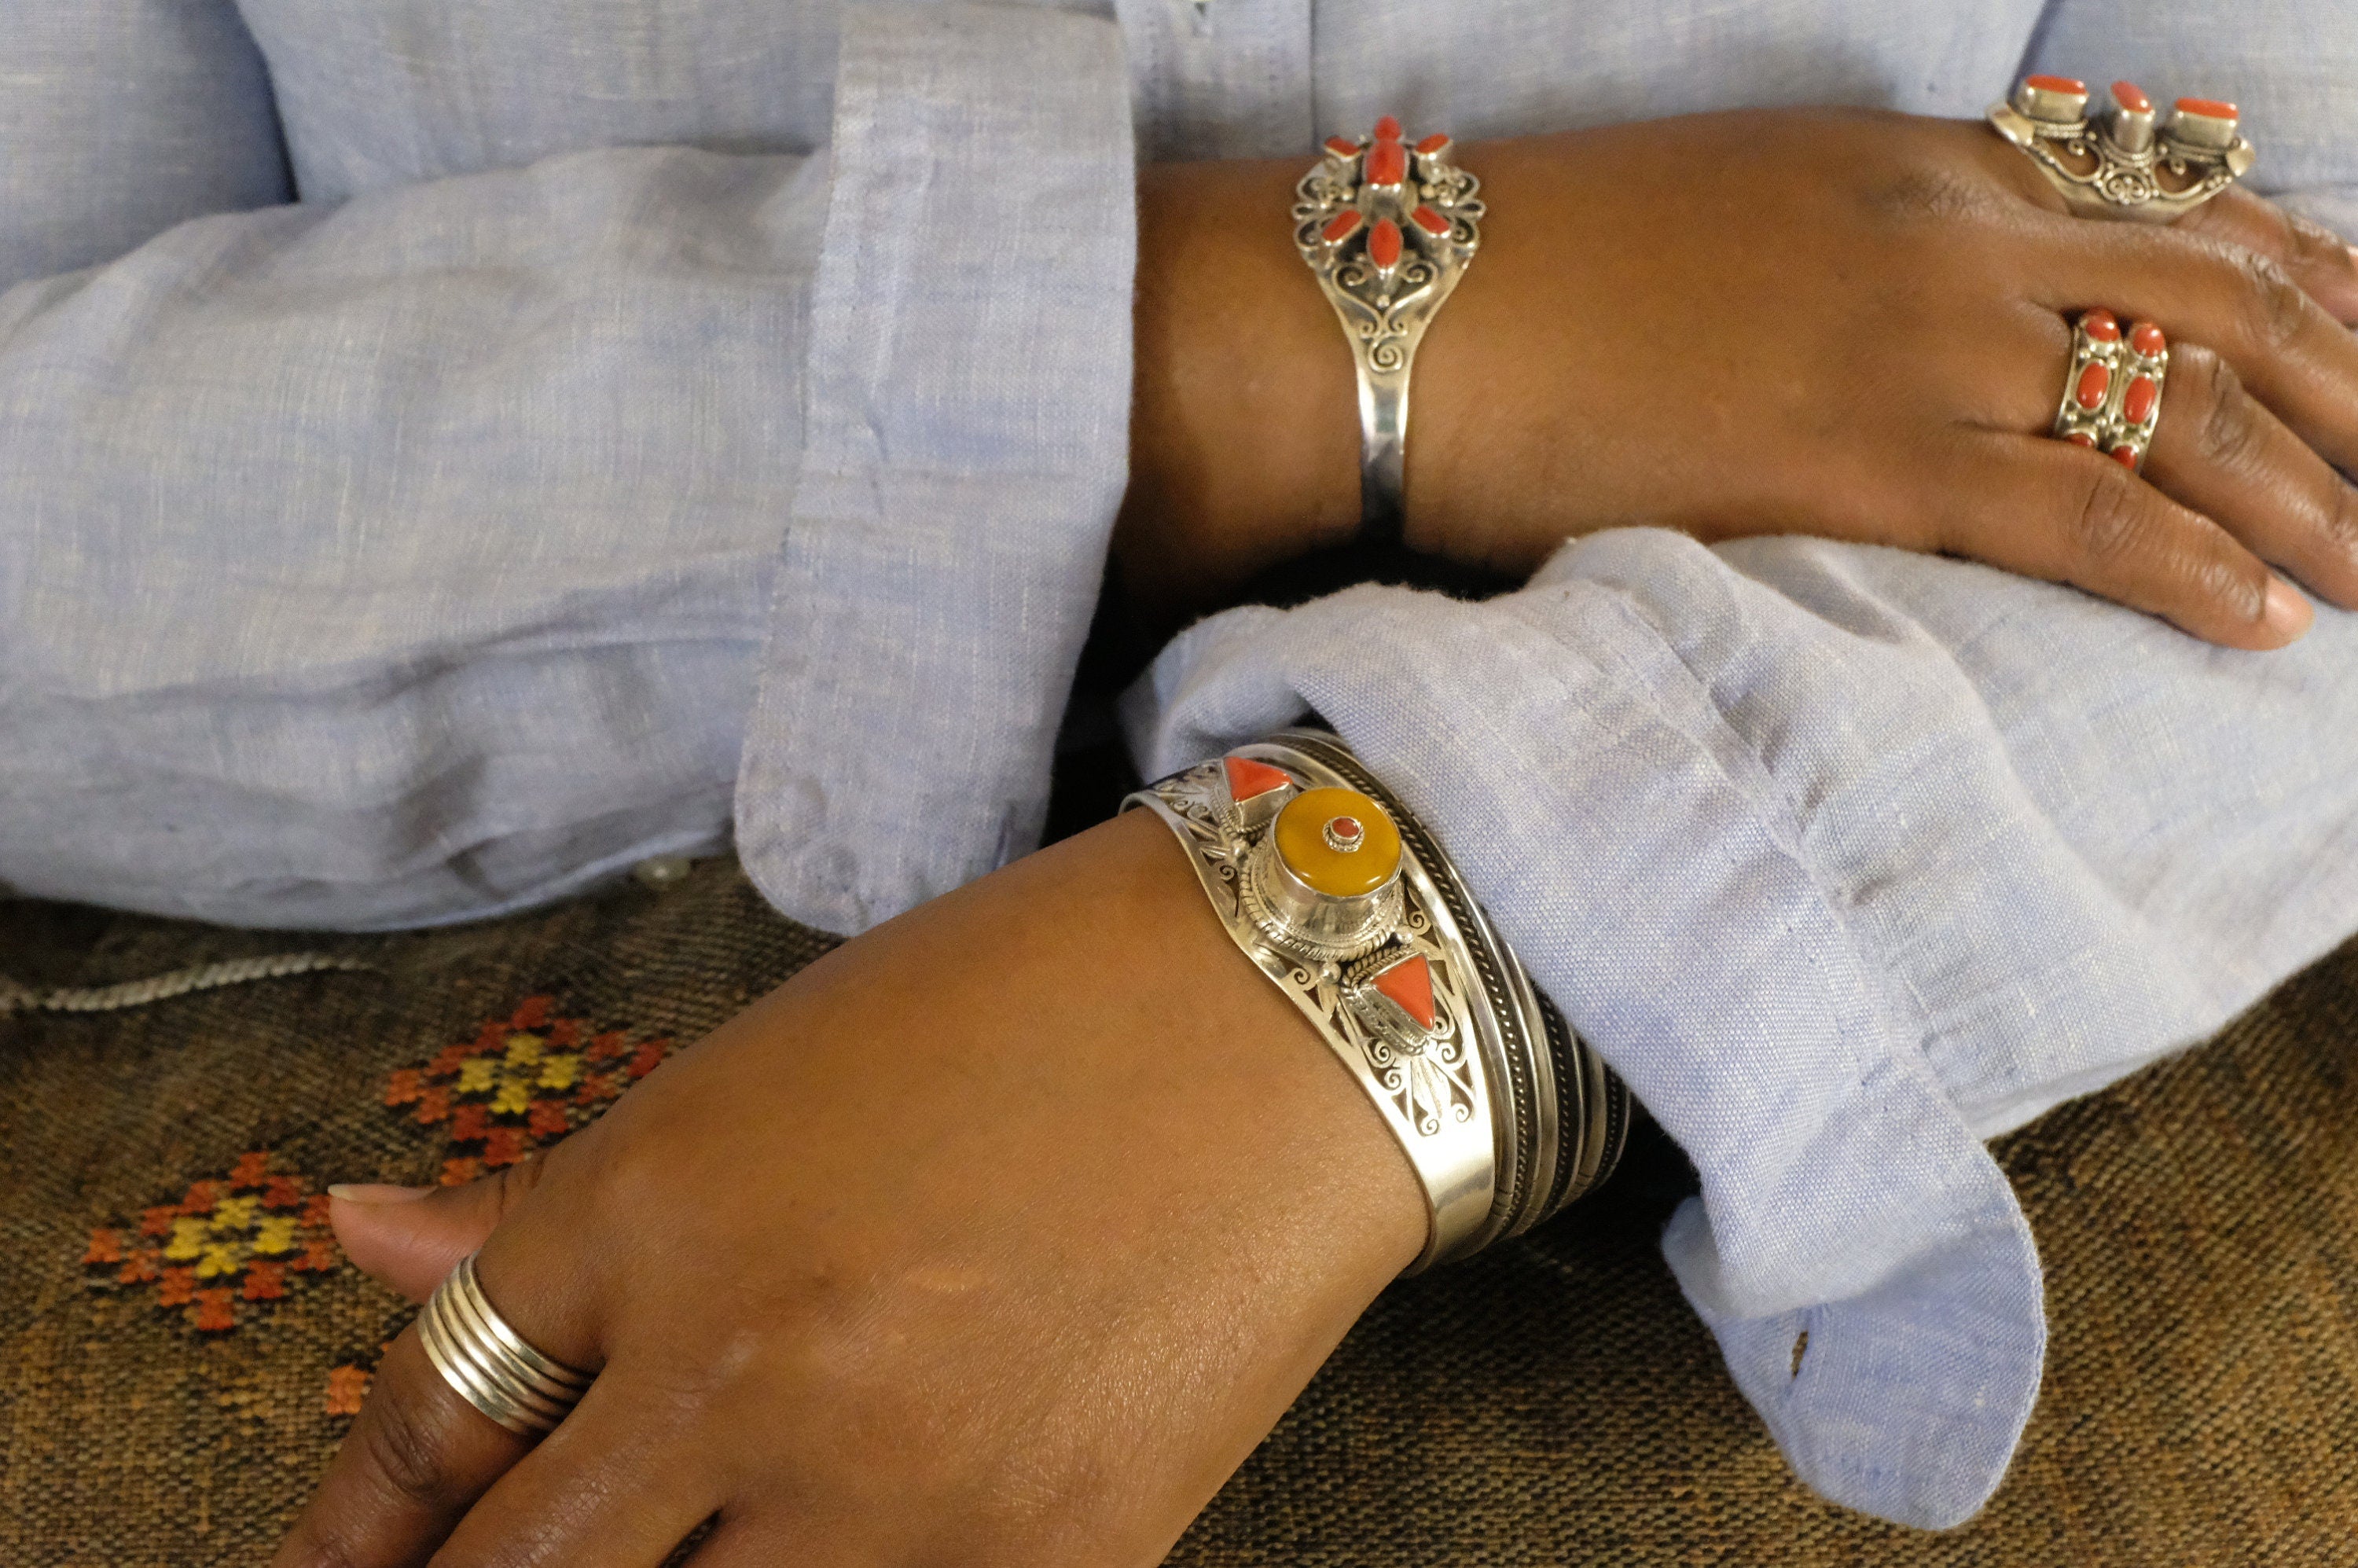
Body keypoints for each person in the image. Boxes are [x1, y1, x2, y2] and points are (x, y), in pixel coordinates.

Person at [0, 1, 2353, 1560]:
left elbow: (2303, 352)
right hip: (321, 982)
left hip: (1962, 983)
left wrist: (1370, 947)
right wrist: (1241, 345)